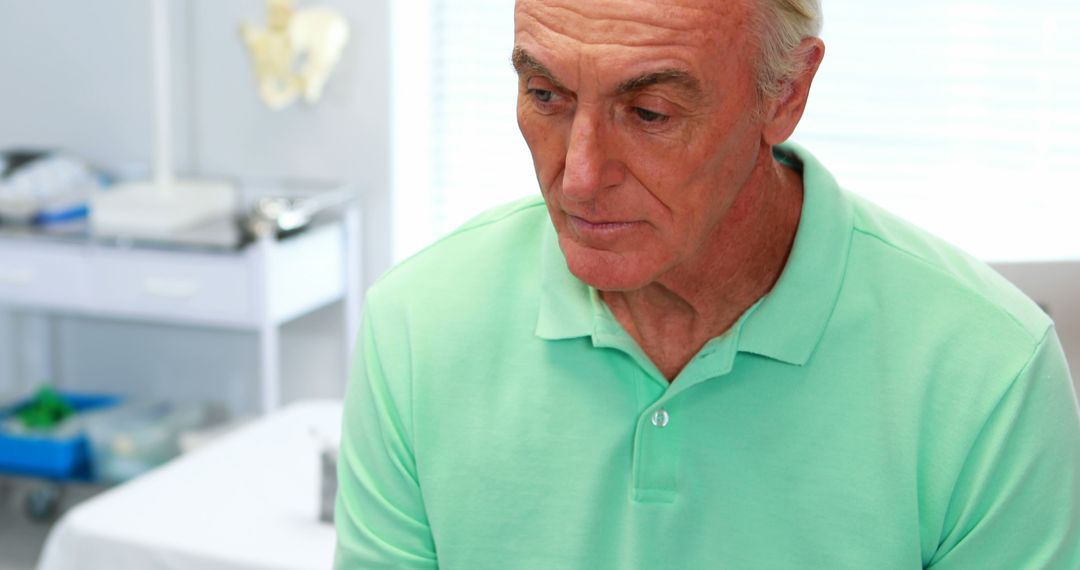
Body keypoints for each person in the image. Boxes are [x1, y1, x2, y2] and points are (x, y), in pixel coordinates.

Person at [335, 0, 1080, 567]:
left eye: (650, 112)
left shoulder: (990, 374)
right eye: (546, 95)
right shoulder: (414, 326)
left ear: (785, 92)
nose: (581, 176)